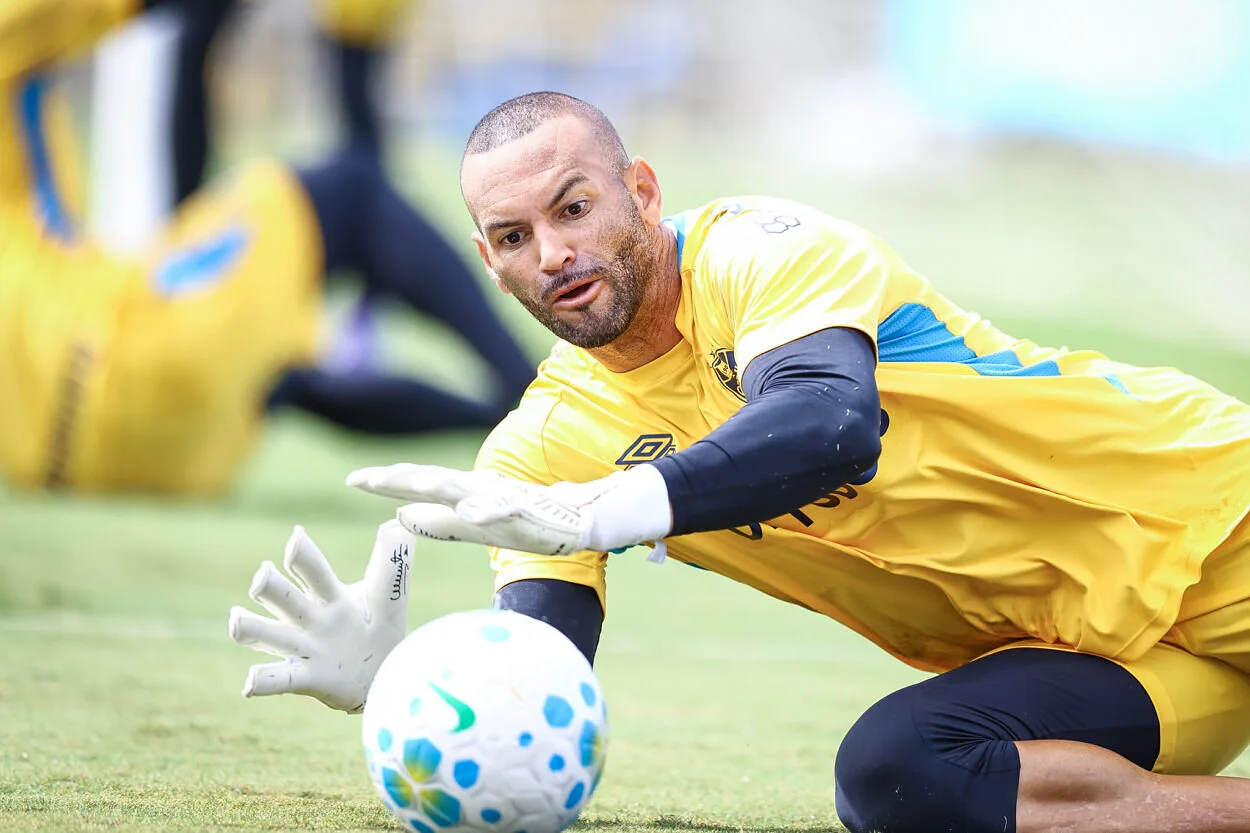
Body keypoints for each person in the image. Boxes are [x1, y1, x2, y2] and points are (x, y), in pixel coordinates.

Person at [227, 91, 1250, 833]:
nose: (551, 252)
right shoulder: (539, 446)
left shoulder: (763, 251)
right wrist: (413, 685)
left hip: (1210, 512)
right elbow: (539, 680)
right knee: (892, 777)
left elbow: (830, 426)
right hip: (1112, 665)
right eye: (512, 235)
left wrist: (611, 508)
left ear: (639, 188)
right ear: (486, 262)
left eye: (572, 206)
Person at [0, 0, 536, 495]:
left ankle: (498, 416)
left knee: (279, 372)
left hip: (54, 461)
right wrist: (358, 39)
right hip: (116, 372)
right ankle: (539, 402)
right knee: (351, 196)